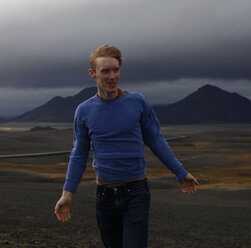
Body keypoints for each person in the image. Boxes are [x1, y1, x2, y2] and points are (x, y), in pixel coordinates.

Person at [54, 44, 199, 248]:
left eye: (116, 69)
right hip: (104, 195)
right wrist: (67, 194)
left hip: (136, 192)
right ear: (92, 73)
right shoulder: (84, 111)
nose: (112, 76)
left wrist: (180, 172)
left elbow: (155, 139)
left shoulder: (137, 102)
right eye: (105, 71)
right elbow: (79, 153)